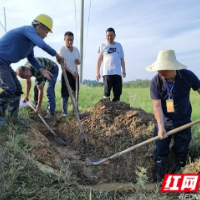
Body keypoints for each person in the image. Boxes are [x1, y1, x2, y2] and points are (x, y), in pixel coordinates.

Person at [145, 50, 200, 184]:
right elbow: (157, 106)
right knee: (160, 152)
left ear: (172, 67)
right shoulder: (156, 81)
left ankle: (179, 179)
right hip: (163, 122)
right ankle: (160, 182)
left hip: (184, 122)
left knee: (182, 151)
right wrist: (161, 127)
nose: (159, 72)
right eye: (158, 69)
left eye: (162, 69)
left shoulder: (187, 76)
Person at [0, 14, 63, 126]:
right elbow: (41, 44)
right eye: (46, 32)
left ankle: (13, 118)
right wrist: (56, 54)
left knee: (17, 89)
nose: (46, 35)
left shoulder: (31, 42)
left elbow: (31, 58)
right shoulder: (29, 30)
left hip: (5, 63)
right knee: (10, 87)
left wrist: (42, 70)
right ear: (39, 26)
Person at [96, 27, 126, 102]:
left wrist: (124, 70)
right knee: (107, 92)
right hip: (107, 73)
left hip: (117, 73)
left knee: (118, 93)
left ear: (114, 35)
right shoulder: (102, 45)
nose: (109, 37)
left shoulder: (119, 45)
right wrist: (97, 72)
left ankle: (116, 109)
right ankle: (106, 110)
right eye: (108, 35)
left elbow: (122, 59)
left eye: (111, 35)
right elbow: (99, 59)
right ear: (106, 36)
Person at [59, 31, 81, 116]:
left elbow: (79, 62)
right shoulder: (62, 50)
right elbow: (63, 65)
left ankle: (75, 109)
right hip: (66, 73)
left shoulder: (76, 50)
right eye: (68, 40)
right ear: (64, 39)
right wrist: (71, 72)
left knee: (76, 91)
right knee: (65, 92)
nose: (70, 42)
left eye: (71, 40)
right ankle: (64, 111)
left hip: (75, 73)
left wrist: (78, 62)